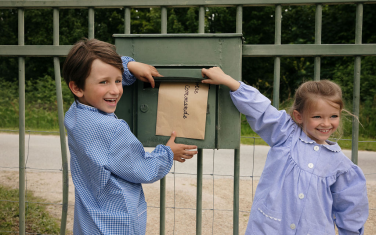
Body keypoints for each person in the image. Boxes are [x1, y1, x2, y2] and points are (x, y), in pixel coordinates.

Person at [201, 67, 369, 235]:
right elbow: (261, 109)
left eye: (333, 116)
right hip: (269, 229)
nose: (326, 123)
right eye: (317, 117)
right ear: (298, 116)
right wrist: (228, 81)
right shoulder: (285, 134)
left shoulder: (343, 167)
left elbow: (352, 212)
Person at [62, 38, 197, 234]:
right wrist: (168, 153)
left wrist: (129, 66)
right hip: (117, 223)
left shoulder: (74, 115)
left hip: (89, 222)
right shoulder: (112, 129)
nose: (115, 90)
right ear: (77, 88)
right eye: (104, 82)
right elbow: (143, 169)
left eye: (118, 80)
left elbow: (100, 73)